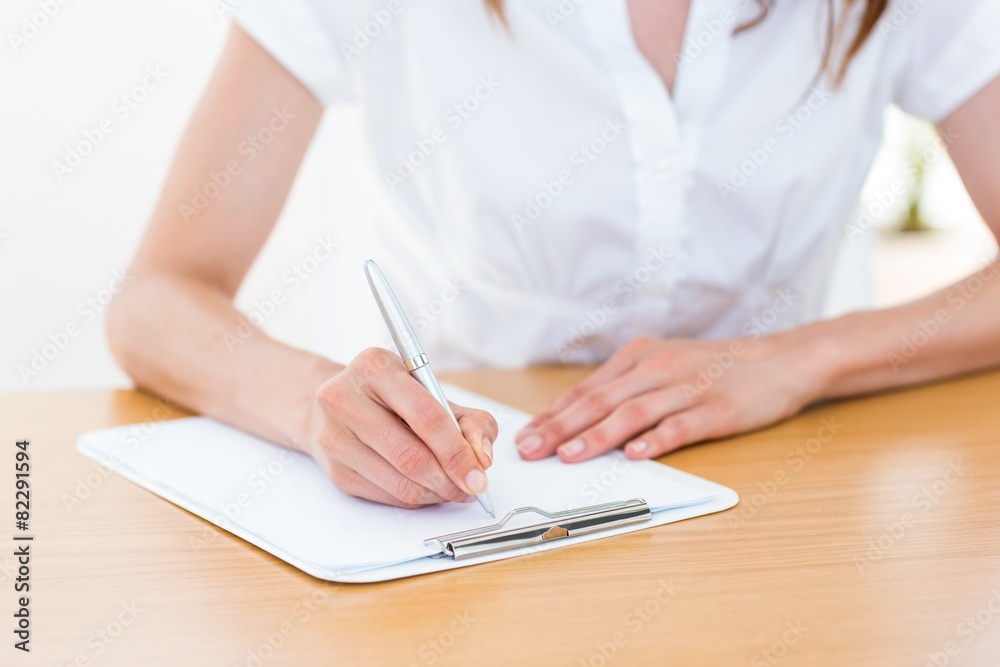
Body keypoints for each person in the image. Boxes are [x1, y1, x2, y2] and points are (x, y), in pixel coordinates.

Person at [107, 0, 1000, 509]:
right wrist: (312, 404)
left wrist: (795, 359)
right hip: (473, 493)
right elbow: (155, 299)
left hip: (788, 489)